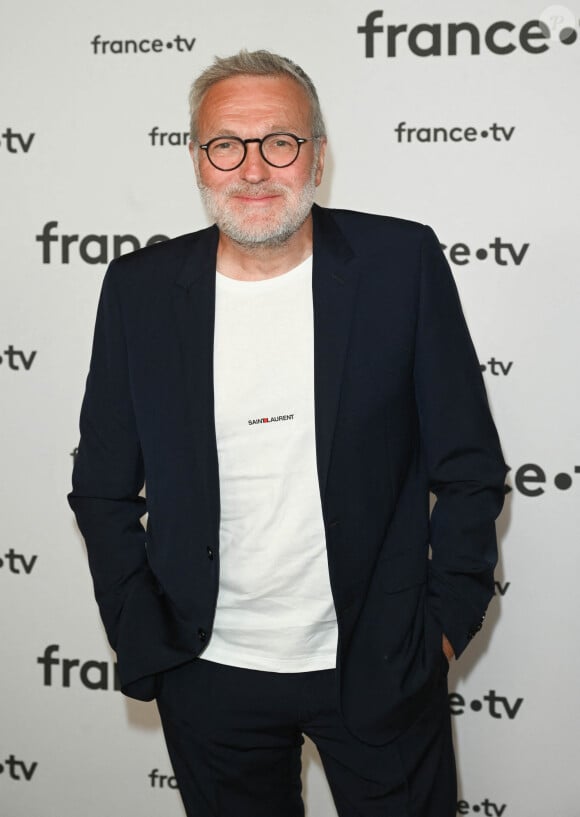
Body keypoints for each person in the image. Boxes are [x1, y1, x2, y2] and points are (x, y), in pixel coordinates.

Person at [68, 49, 507, 817]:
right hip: (206, 671)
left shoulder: (398, 264)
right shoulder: (140, 289)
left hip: (380, 663)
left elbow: (470, 465)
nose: (254, 168)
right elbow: (102, 485)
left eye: (281, 141)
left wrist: (440, 630)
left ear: (317, 155)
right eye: (226, 145)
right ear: (199, 160)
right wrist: (145, 632)